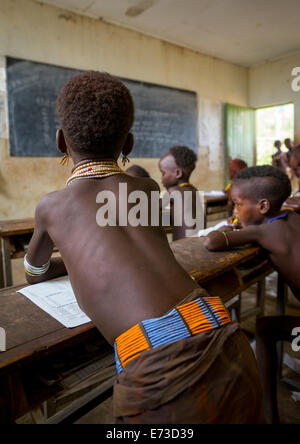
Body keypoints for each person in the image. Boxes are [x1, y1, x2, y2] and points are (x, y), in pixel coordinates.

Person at [24, 71, 263, 424]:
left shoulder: (51, 206)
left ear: (61, 142)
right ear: (130, 144)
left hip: (158, 370)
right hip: (221, 330)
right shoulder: (148, 188)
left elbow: (34, 272)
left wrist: (68, 262)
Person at [204, 165, 300, 424]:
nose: (235, 210)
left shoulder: (264, 231)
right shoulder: (292, 218)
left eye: (237, 204)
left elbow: (211, 242)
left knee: (265, 329)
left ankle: (269, 414)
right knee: (269, 326)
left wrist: (229, 228)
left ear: (263, 207)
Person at [159, 146, 200, 241]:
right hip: (196, 244)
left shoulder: (173, 191)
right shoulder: (193, 190)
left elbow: (154, 206)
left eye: (163, 173)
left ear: (178, 173)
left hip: (183, 247)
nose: (162, 178)